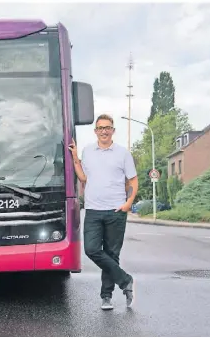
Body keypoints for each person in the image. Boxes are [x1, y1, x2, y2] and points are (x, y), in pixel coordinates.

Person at [68, 113, 138, 310]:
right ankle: (125, 280)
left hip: (116, 211)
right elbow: (83, 178)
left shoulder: (123, 153)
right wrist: (75, 158)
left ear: (113, 130)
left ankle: (106, 297)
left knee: (111, 254)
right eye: (101, 128)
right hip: (93, 210)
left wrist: (128, 203)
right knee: (91, 250)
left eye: (108, 127)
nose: (104, 131)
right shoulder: (88, 152)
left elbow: (133, 181)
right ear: (96, 131)